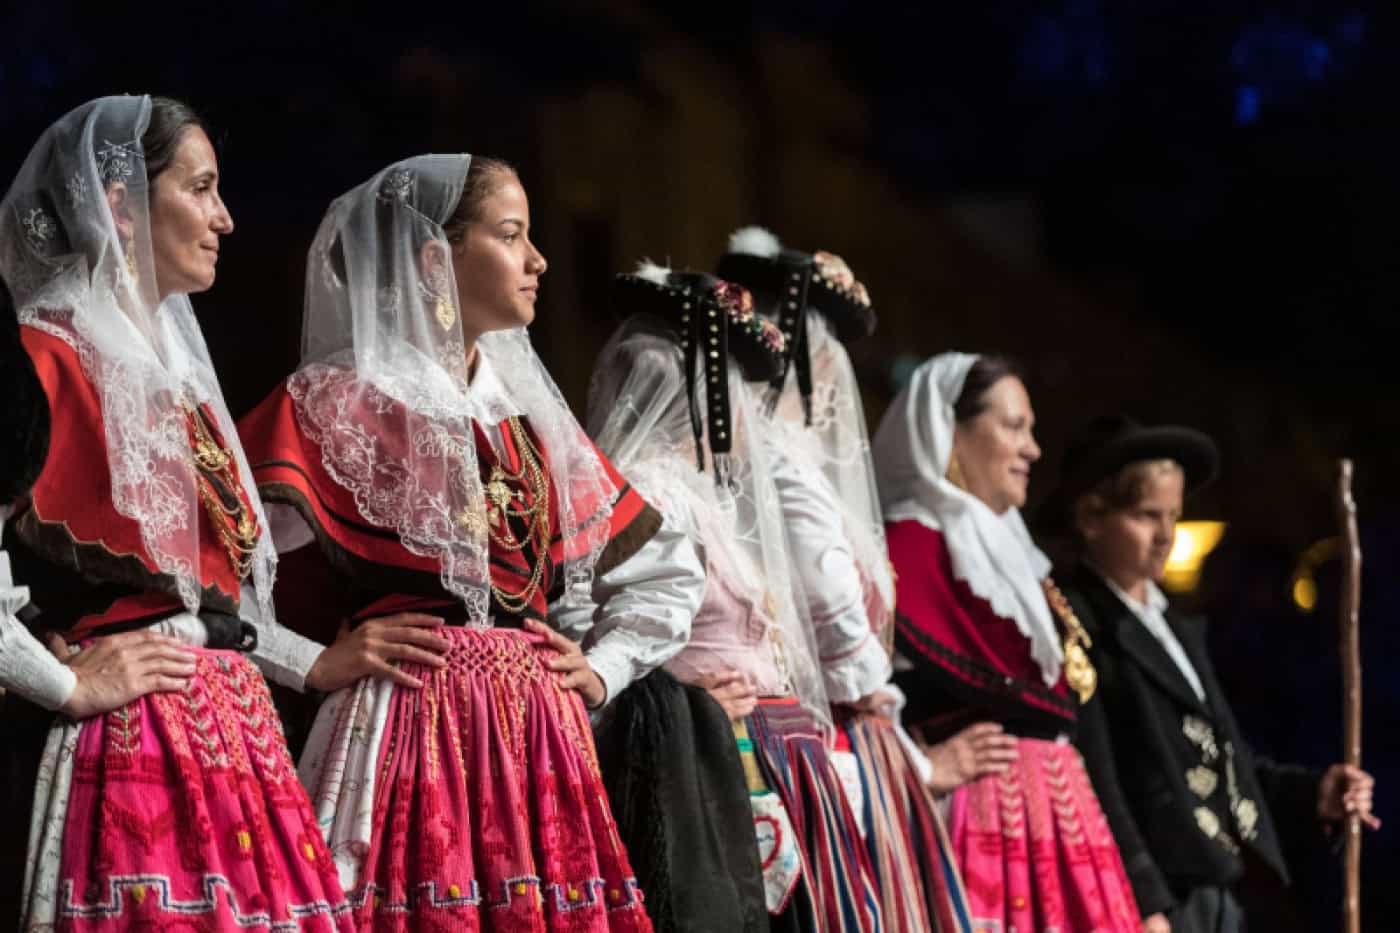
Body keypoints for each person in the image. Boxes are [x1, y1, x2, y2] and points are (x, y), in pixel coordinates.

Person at [237, 155, 704, 931]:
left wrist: (602, 669)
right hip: (401, 732)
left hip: (534, 741)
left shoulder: (524, 418)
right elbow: (211, 572)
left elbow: (666, 567)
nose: (538, 260)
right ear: (434, 258)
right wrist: (309, 659)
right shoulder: (333, 403)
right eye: (512, 235)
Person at [0, 95, 352, 929]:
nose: (225, 218)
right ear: (120, 206)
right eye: (202, 188)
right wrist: (60, 681)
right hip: (123, 749)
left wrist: (314, 665)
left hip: (240, 750)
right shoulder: (38, 357)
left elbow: (212, 603)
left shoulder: (183, 381)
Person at [717, 229, 971, 933]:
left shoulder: (771, 460)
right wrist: (900, 740)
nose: (835, 373)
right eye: (826, 353)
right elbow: (839, 628)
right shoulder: (784, 467)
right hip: (833, 736)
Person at [1046, 415, 1379, 933]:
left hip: (1227, 885)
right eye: (1146, 516)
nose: (1165, 536)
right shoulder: (1079, 623)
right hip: (1164, 892)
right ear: (1091, 517)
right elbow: (1095, 777)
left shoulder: (1173, 629)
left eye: (1173, 516)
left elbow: (1219, 761)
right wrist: (1142, 897)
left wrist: (1312, 791)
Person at [871, 353, 1141, 933]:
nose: (1033, 450)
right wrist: (920, 766)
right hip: (971, 826)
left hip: (1062, 824)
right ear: (949, 432)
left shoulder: (1018, 560)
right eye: (1014, 427)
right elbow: (856, 692)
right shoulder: (905, 549)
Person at [587, 264, 795, 932]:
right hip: (697, 757)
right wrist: (691, 701)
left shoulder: (692, 492)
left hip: (736, 746)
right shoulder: (652, 491)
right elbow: (622, 635)